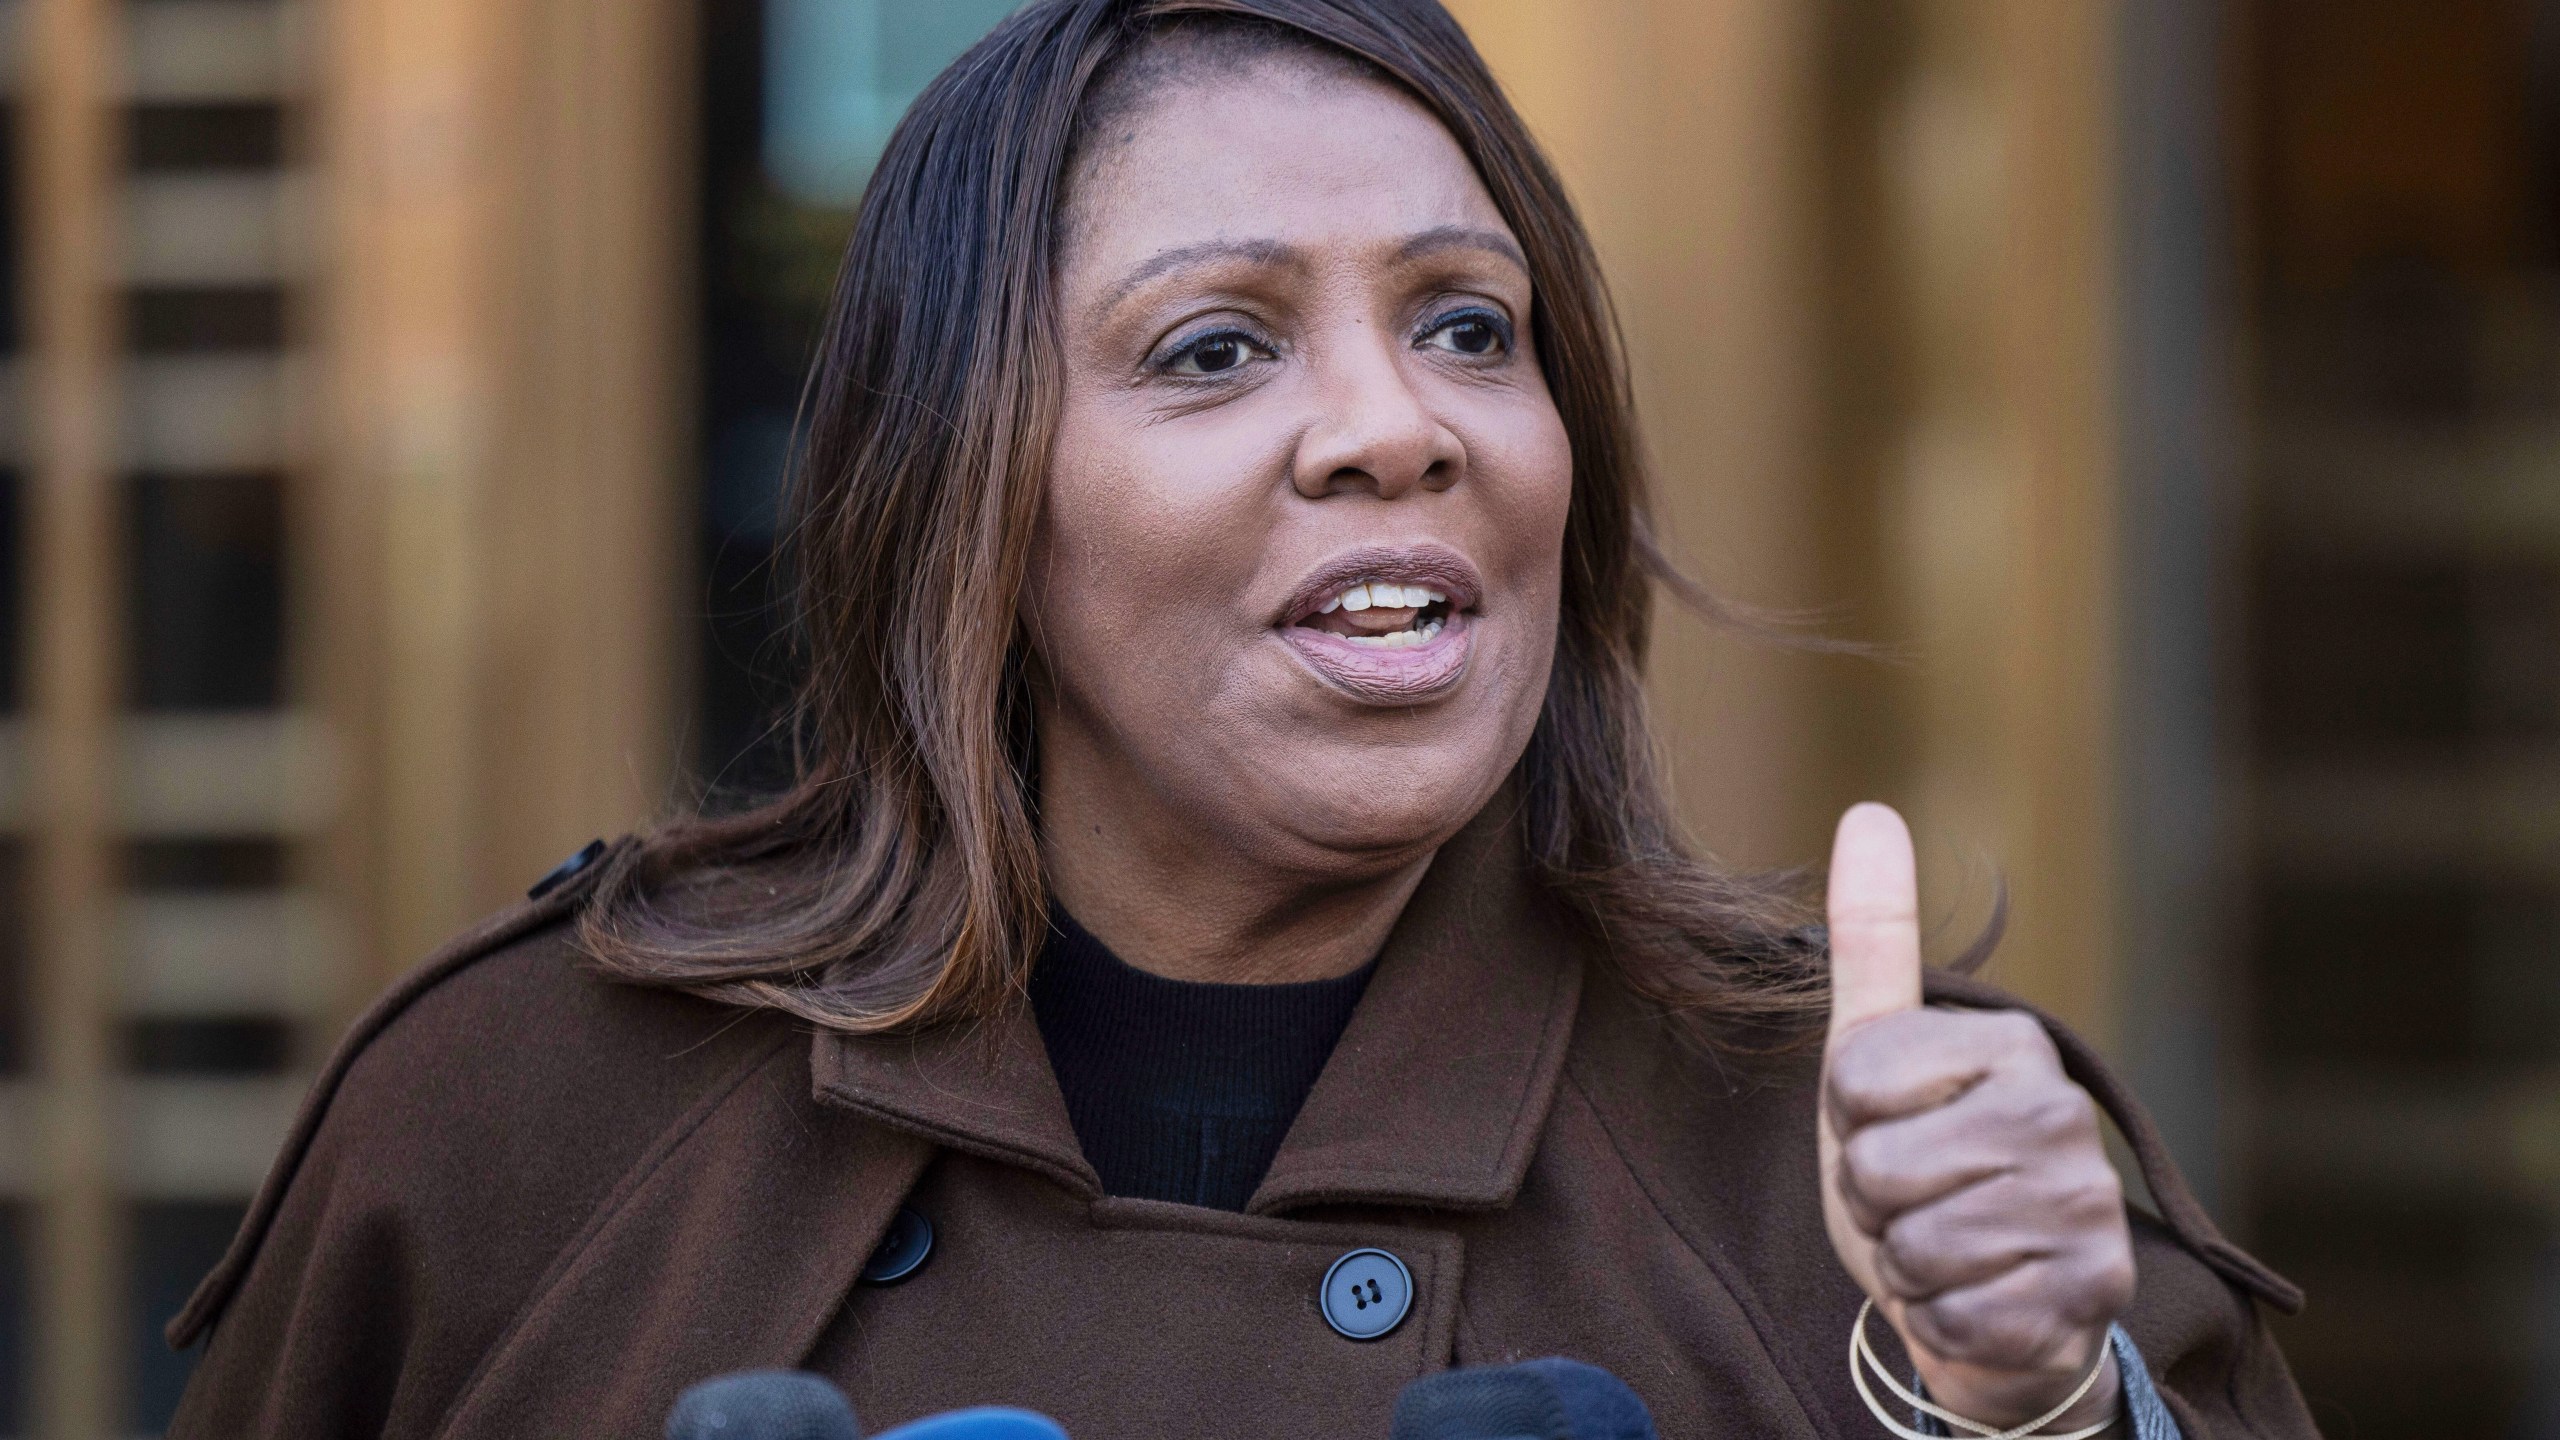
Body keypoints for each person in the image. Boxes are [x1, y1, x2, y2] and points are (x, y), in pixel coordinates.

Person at [166, 3, 2316, 1437]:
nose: (1397, 425)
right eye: (1214, 348)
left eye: (1467, 326)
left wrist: (2034, 1408)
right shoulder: (521, 1127)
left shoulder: (1862, 1169)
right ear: (969, 502)